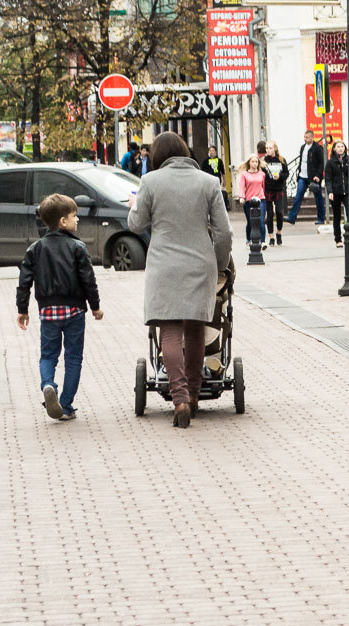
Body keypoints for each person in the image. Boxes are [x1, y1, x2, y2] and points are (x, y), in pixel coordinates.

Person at [127, 131, 233, 429]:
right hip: (200, 264)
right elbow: (224, 232)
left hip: (163, 265)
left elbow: (136, 225)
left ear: (158, 156)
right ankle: (196, 395)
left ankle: (180, 398)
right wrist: (220, 263)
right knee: (196, 327)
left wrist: (134, 204)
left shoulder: (150, 182)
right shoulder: (209, 182)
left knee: (170, 331)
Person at [16, 193, 103, 422]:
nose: (78, 220)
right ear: (63, 221)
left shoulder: (35, 249)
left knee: (48, 355)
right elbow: (88, 280)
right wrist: (95, 306)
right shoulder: (77, 247)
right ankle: (65, 405)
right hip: (74, 311)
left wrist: (22, 309)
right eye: (75, 217)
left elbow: (24, 282)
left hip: (48, 312)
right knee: (73, 358)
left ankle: (48, 384)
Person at [286, 129, 325, 226]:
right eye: (304, 137)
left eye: (307, 137)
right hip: (302, 176)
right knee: (298, 196)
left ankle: (321, 218)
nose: (305, 139)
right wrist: (299, 171)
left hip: (314, 177)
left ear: (312, 137)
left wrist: (318, 176)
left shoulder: (317, 148)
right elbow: (301, 161)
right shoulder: (303, 147)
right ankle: (292, 217)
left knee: (318, 198)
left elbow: (321, 163)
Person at [236, 154, 268, 248]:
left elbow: (263, 187)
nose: (254, 163)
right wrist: (241, 197)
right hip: (249, 201)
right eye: (253, 162)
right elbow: (242, 186)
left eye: (256, 162)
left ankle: (262, 242)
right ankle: (248, 240)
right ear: (249, 163)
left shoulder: (262, 174)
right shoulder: (244, 174)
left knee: (261, 221)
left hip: (260, 200)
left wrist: (266, 198)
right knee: (250, 222)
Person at [262, 140, 289, 247]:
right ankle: (271, 236)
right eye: (267, 148)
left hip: (278, 189)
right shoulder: (264, 161)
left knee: (279, 212)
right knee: (269, 214)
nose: (268, 150)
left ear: (275, 149)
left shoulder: (281, 160)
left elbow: (286, 173)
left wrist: (280, 177)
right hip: (267, 189)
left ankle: (279, 232)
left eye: (270, 148)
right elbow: (261, 174)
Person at [324, 140, 349, 247]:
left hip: (347, 191)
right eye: (338, 146)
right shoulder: (330, 162)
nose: (340, 148)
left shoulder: (348, 160)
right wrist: (330, 192)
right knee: (337, 216)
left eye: (342, 146)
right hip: (335, 192)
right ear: (334, 148)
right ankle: (338, 239)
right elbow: (328, 179)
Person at [201, 146, 229, 210]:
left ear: (215, 151)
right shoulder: (206, 161)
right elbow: (202, 171)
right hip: (208, 180)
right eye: (210, 150)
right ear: (208, 152)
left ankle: (217, 205)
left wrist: (224, 181)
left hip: (217, 179)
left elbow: (223, 172)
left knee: (217, 192)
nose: (211, 152)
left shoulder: (219, 160)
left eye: (213, 150)